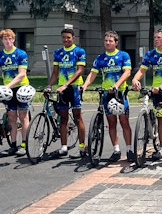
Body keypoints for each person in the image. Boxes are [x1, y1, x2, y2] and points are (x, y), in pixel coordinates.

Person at [81, 30, 134, 162]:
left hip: (120, 93)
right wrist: (85, 85)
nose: (108, 43)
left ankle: (129, 149)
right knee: (111, 122)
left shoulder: (123, 55)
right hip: (106, 94)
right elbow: (92, 74)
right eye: (106, 41)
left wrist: (116, 85)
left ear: (116, 42)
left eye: (110, 41)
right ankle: (116, 150)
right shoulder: (100, 58)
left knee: (124, 122)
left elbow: (127, 72)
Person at [131, 29, 162, 163]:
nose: (156, 40)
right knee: (161, 119)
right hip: (156, 91)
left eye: (158, 37)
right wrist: (135, 79)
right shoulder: (150, 54)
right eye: (154, 38)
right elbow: (142, 70)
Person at [47, 27, 87, 158]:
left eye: (68, 37)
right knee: (63, 118)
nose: (66, 40)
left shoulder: (79, 51)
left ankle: (82, 147)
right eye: (64, 37)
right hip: (61, 88)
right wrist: (49, 85)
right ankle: (63, 147)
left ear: (73, 38)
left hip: (74, 87)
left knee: (77, 117)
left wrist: (66, 84)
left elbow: (79, 70)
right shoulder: (58, 52)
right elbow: (55, 72)